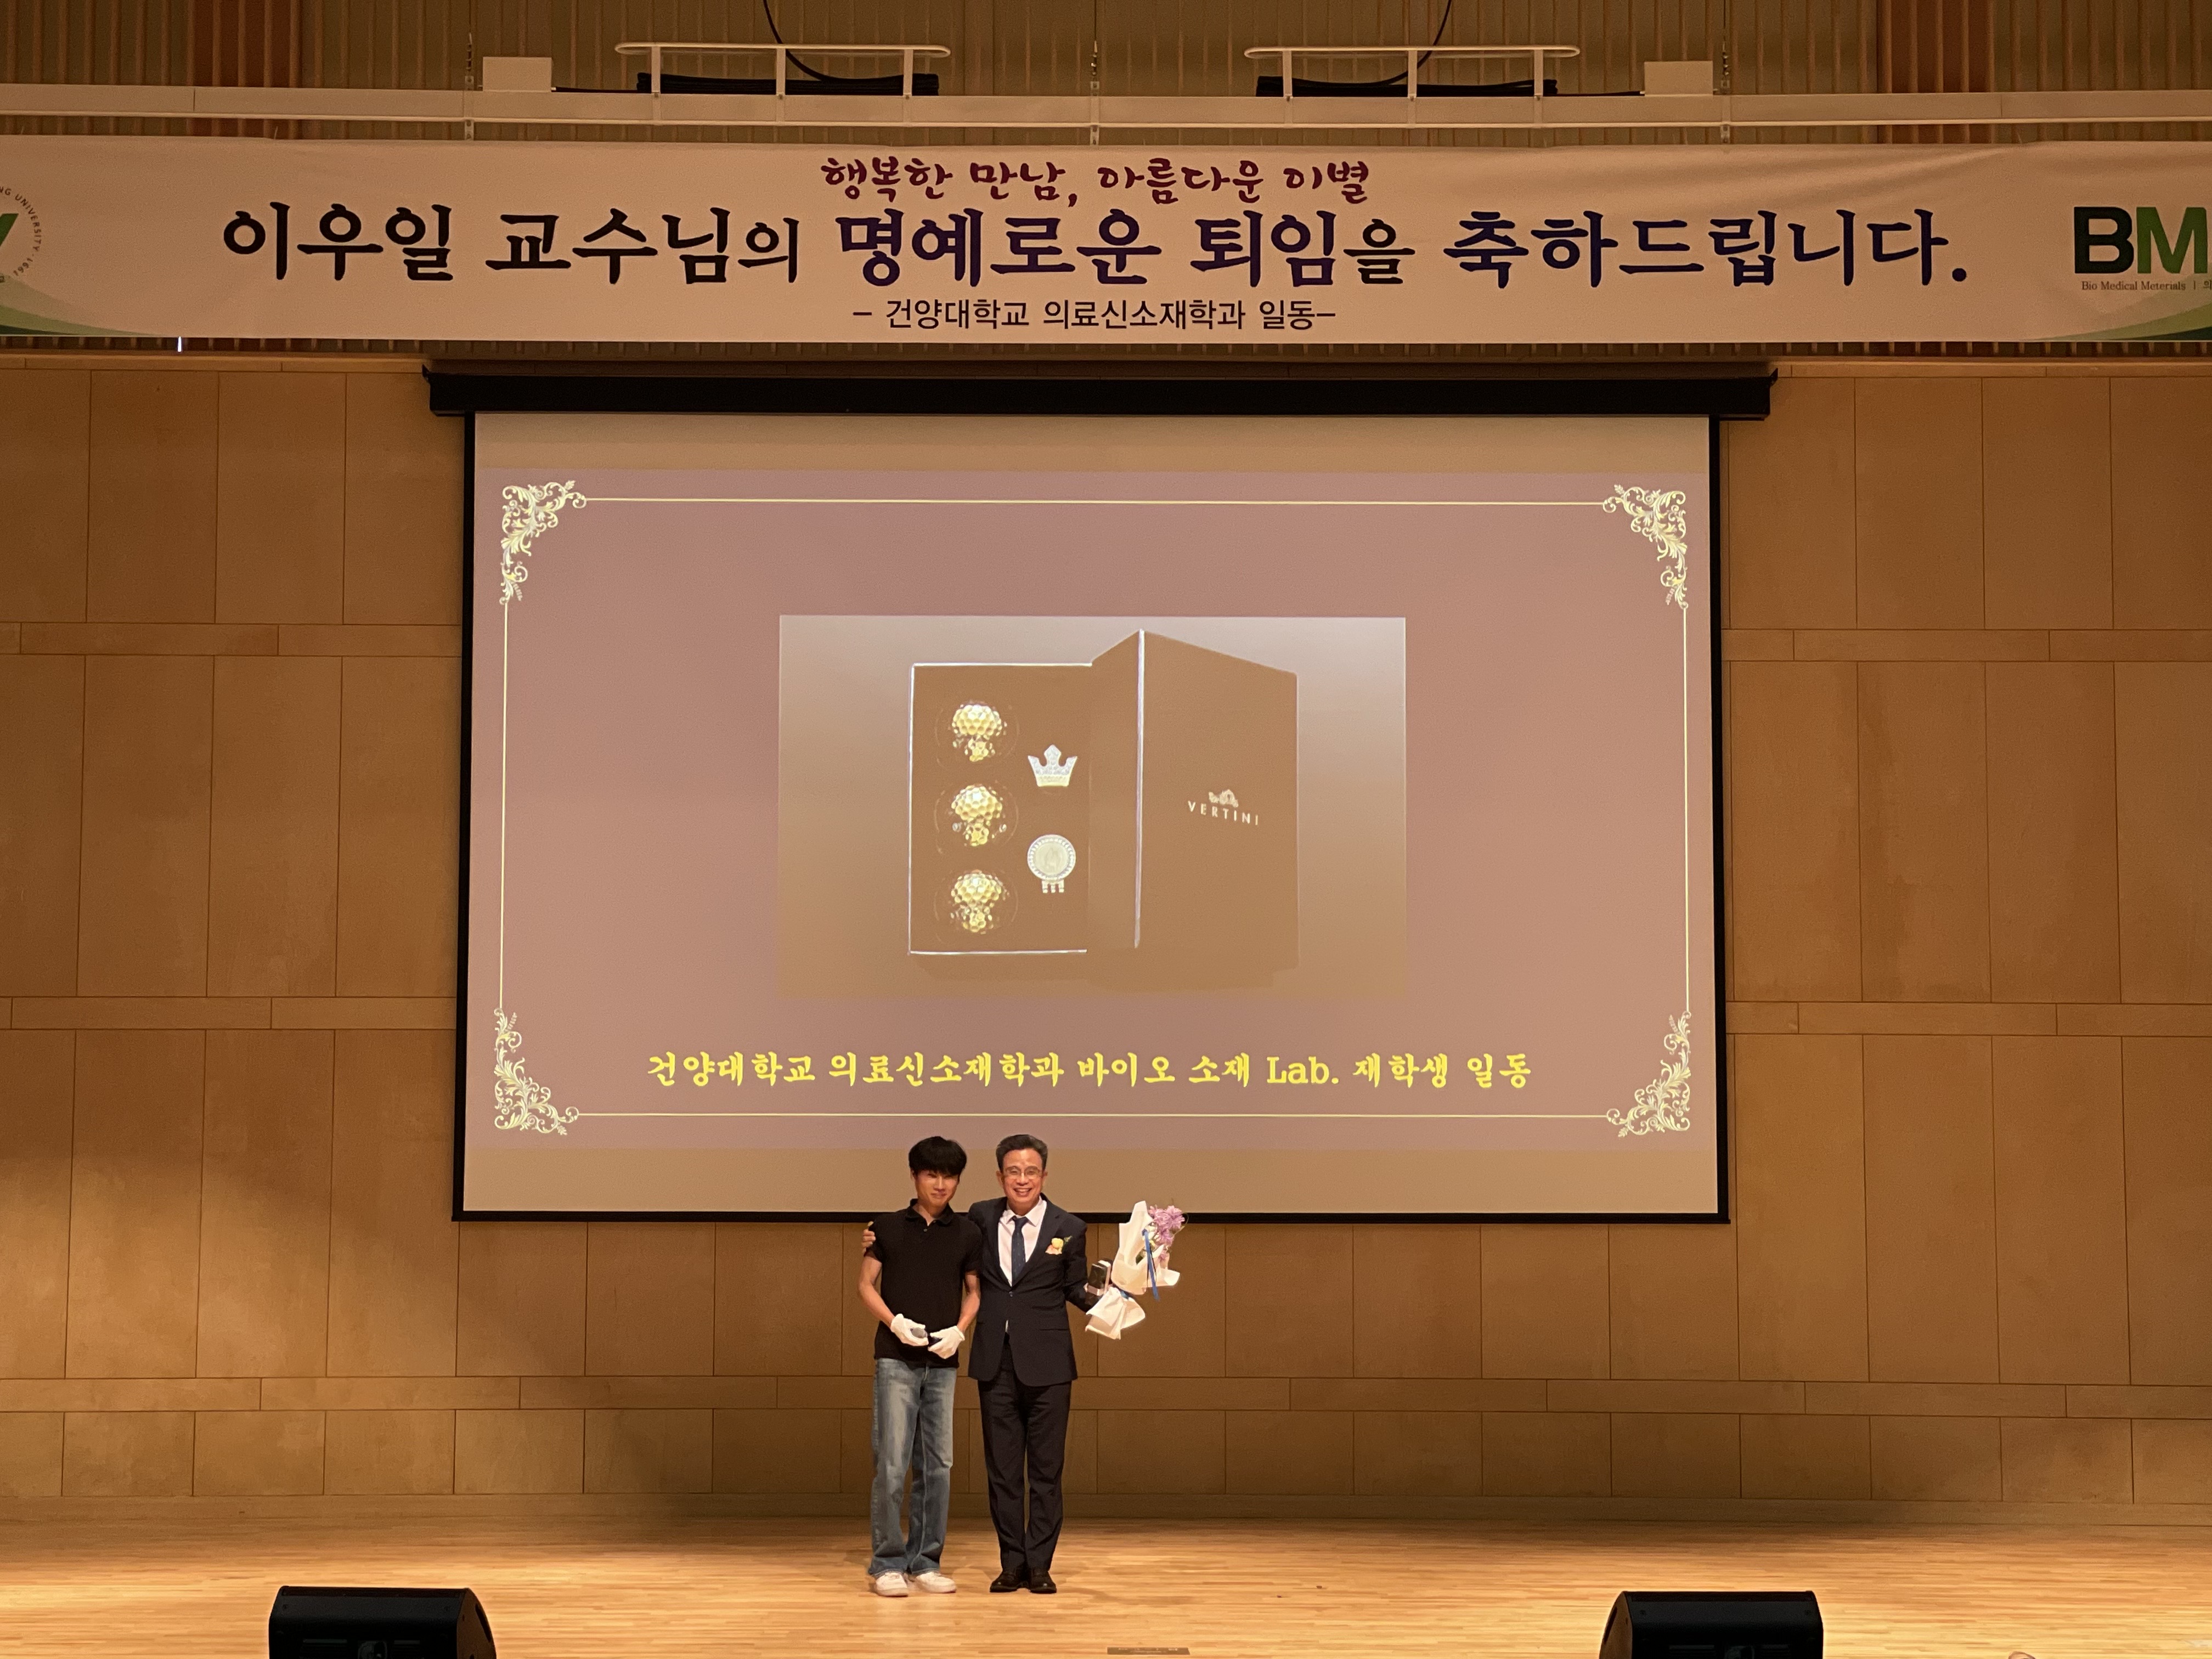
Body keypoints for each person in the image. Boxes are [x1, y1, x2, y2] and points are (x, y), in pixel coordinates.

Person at [857, 1136, 983, 1599]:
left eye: (949, 1176)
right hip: (896, 1360)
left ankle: (926, 1561)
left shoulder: (968, 1232)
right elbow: (865, 1285)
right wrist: (894, 1322)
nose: (941, 1184)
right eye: (932, 1174)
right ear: (915, 1176)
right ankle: (887, 1562)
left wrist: (960, 1330)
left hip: (943, 1363)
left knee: (938, 1466)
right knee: (892, 1464)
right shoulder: (887, 1227)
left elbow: (975, 1291)